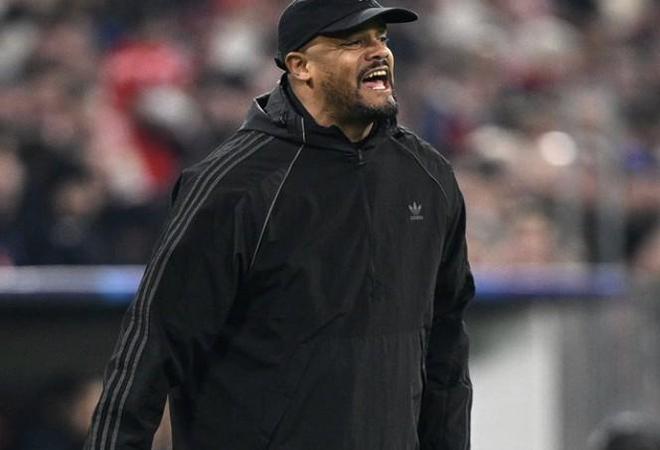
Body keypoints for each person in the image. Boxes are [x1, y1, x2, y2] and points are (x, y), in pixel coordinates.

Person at [85, 1, 475, 449]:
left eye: (381, 39)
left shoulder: (428, 177)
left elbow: (446, 354)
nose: (379, 52)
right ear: (301, 66)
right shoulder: (234, 186)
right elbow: (152, 345)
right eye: (353, 42)